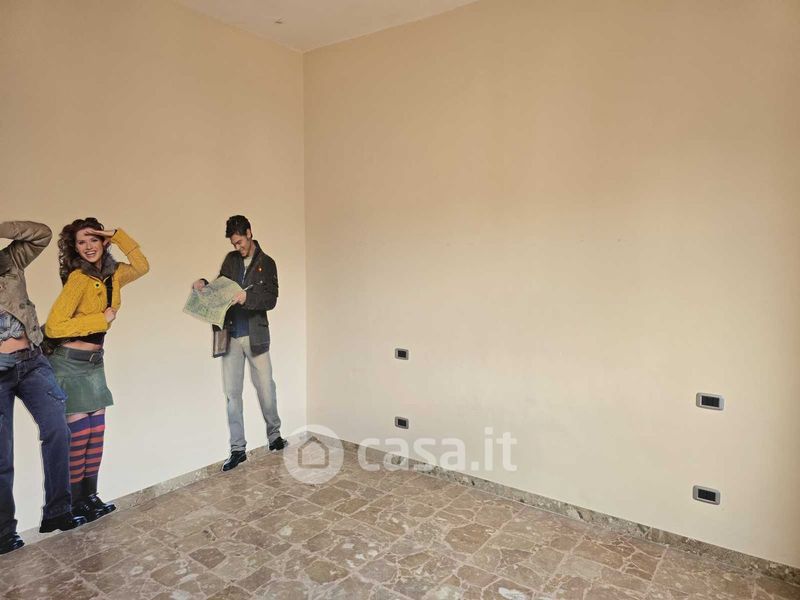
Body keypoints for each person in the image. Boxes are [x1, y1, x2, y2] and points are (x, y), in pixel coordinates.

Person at [45, 218, 148, 522]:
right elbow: (54, 327)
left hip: (94, 365)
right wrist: (101, 320)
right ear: (74, 248)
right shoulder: (78, 278)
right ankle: (75, 503)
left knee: (96, 433)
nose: (89, 246)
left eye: (94, 239)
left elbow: (142, 266)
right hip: (68, 364)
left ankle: (91, 497)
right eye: (81, 242)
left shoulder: (114, 274)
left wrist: (118, 235)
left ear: (104, 242)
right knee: (79, 436)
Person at [0, 221, 87, 555]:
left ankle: (58, 512)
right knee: (2, 454)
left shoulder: (10, 259)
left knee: (58, 430)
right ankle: (4, 532)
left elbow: (42, 234)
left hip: (32, 361)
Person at [192, 215, 286, 472]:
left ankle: (274, 436)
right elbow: (220, 288)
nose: (238, 247)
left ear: (249, 233)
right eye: (234, 243)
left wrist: (247, 298)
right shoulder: (230, 260)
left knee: (266, 388)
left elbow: (271, 299)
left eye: (240, 242)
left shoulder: (267, 263)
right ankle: (237, 449)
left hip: (256, 336)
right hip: (230, 335)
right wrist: (204, 284)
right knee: (232, 394)